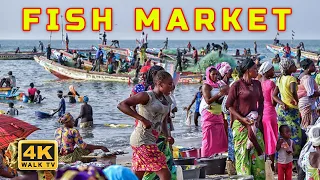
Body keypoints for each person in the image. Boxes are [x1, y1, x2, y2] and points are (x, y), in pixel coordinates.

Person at [117, 70, 174, 180]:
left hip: (151, 139)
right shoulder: (146, 96)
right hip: (142, 140)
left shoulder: (167, 99)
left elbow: (163, 120)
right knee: (165, 174)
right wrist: (142, 119)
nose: (172, 87)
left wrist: (167, 136)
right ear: (159, 84)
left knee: (137, 175)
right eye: (169, 84)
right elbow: (121, 105)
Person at [225, 58, 265, 179]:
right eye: (254, 69)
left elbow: (262, 102)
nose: (257, 70)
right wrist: (242, 119)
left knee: (258, 157)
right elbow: (228, 105)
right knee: (243, 156)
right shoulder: (237, 85)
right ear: (247, 70)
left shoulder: (257, 83)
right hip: (241, 125)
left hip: (254, 123)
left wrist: (259, 116)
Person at [273, 58, 302, 156]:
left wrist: (282, 103)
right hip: (292, 110)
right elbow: (293, 91)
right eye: (293, 66)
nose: (295, 67)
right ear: (289, 68)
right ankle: (294, 156)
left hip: (282, 111)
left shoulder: (280, 79)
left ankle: (281, 155)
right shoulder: (291, 79)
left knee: (282, 134)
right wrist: (297, 101)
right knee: (294, 134)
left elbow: (274, 95)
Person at [199, 66, 228, 157]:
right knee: (208, 138)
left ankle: (215, 156)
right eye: (213, 74)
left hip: (218, 113)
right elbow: (208, 100)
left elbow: (219, 100)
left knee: (219, 138)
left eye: (216, 74)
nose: (215, 76)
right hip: (208, 114)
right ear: (208, 75)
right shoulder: (206, 85)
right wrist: (220, 93)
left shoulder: (219, 84)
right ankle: (205, 158)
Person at [258, 62, 278, 169]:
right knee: (271, 138)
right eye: (272, 70)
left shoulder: (258, 82)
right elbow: (273, 102)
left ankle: (265, 162)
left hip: (261, 113)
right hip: (270, 113)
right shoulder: (271, 83)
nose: (273, 72)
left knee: (264, 137)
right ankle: (271, 165)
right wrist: (277, 91)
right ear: (267, 71)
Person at [298, 59, 320, 129]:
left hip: (305, 103)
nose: (314, 67)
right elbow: (311, 94)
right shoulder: (308, 78)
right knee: (308, 124)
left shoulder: (303, 76)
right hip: (307, 104)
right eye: (312, 66)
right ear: (307, 68)